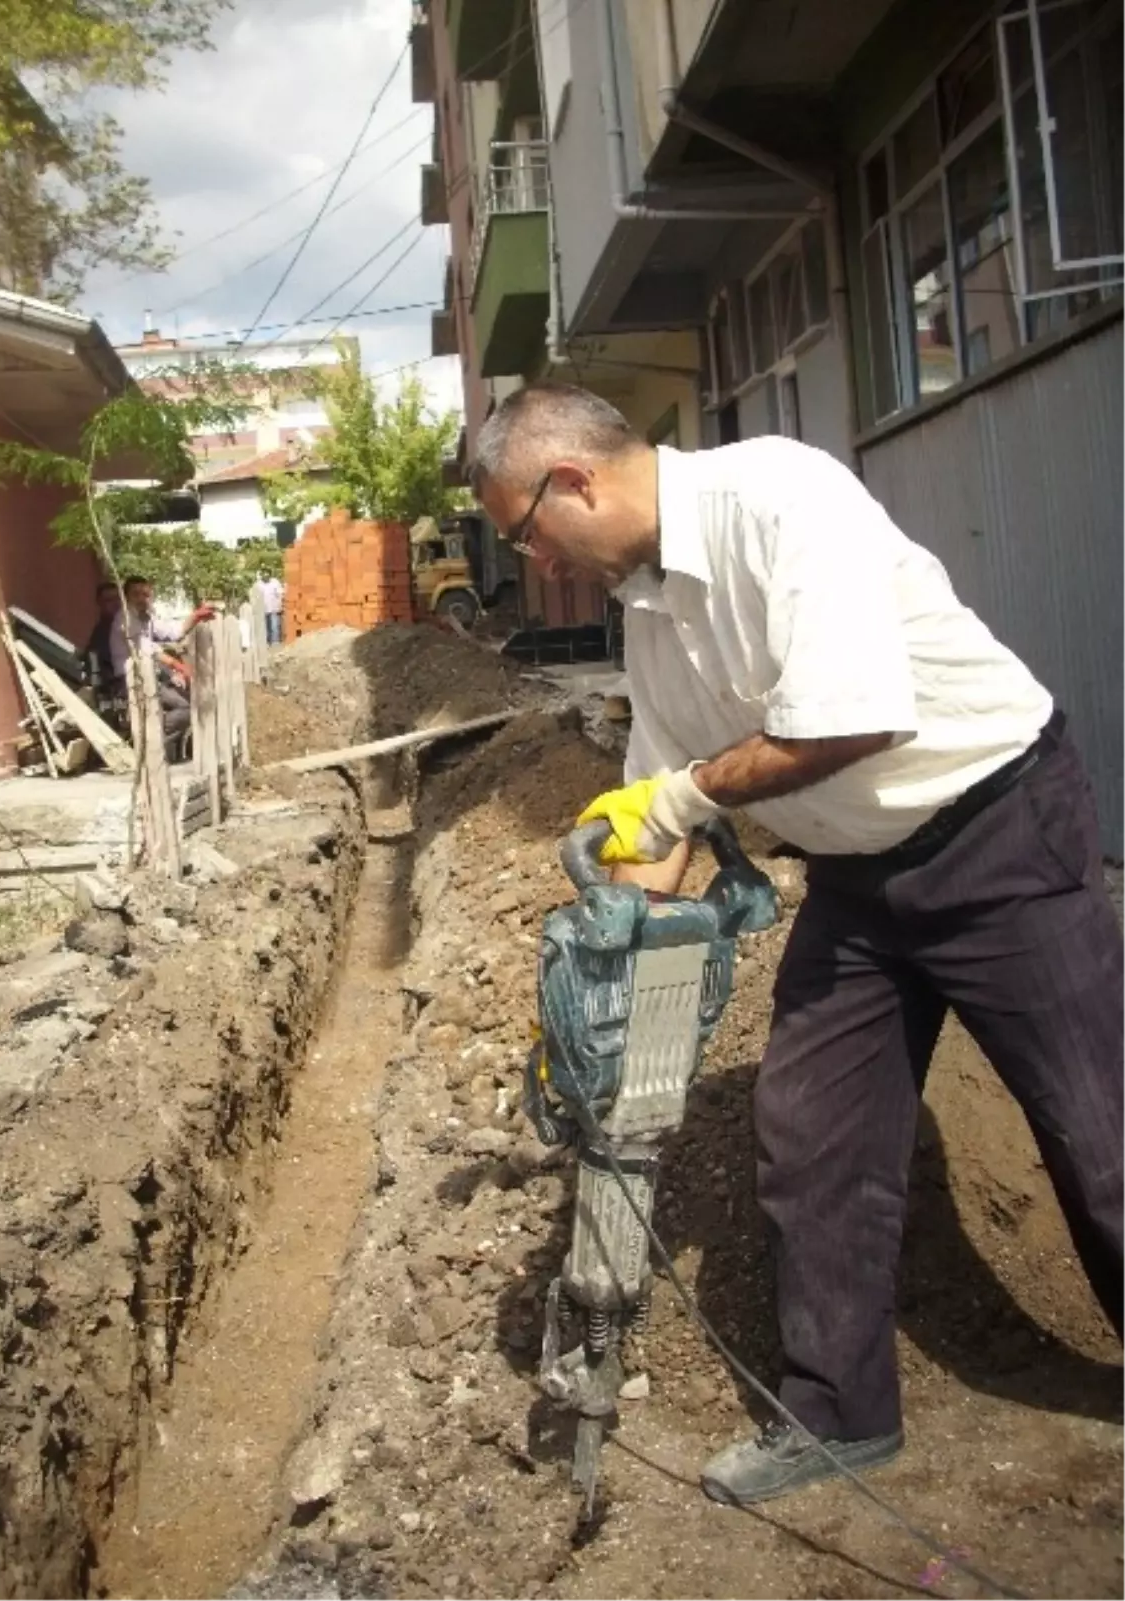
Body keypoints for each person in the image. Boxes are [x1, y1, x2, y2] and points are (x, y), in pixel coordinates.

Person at [470, 382, 1125, 1507]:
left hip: (995, 828)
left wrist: (679, 798)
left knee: (1097, 1123)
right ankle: (839, 1415)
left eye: (526, 535)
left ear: (572, 479)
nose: (540, 566)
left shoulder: (782, 500)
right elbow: (657, 826)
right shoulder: (647, 607)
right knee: (812, 1131)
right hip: (859, 878)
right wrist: (598, 979)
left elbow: (848, 718)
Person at [109, 576, 213, 748]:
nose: (142, 599)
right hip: (128, 681)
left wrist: (196, 616)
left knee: (188, 700)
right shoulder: (124, 620)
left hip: (149, 676)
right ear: (126, 597)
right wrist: (177, 665)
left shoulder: (147, 617)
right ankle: (148, 741)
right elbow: (146, 648)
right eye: (136, 594)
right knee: (186, 709)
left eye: (145, 594)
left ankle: (152, 743)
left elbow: (173, 632)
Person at [85, 581, 120, 690]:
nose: (116, 603)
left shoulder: (127, 627)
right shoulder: (101, 635)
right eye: (109, 600)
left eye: (118, 598)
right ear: (100, 603)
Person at [259, 570, 284, 646]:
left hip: (274, 608)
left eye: (267, 576)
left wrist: (279, 605)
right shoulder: (259, 584)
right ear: (262, 576)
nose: (266, 577)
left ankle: (275, 642)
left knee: (274, 625)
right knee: (265, 627)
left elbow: (280, 594)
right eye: (264, 576)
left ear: (270, 575)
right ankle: (266, 642)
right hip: (263, 609)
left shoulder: (275, 582)